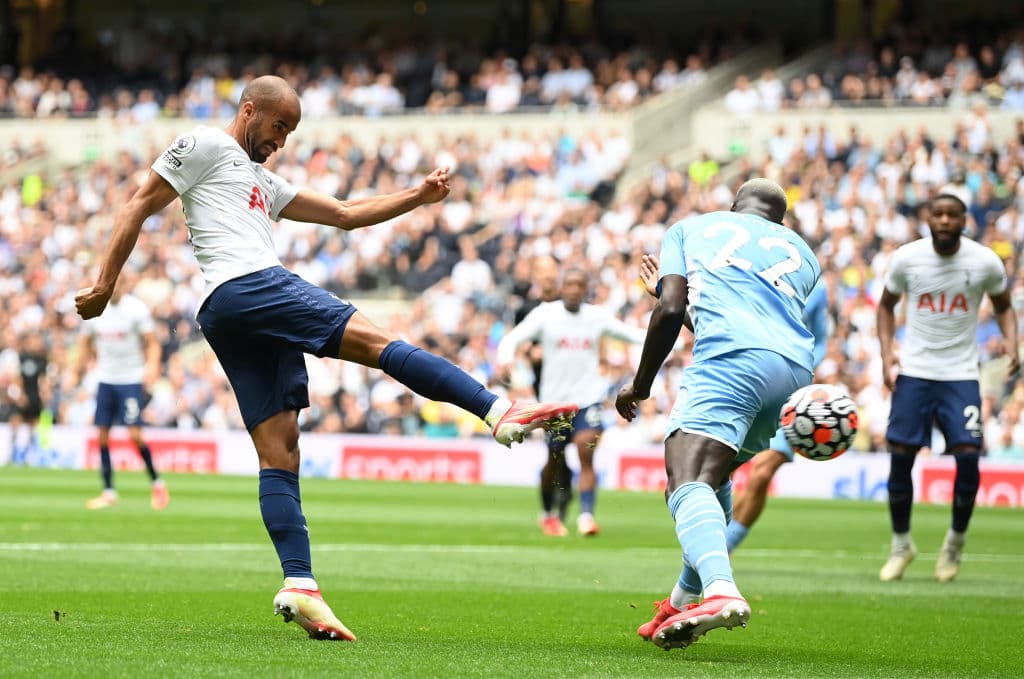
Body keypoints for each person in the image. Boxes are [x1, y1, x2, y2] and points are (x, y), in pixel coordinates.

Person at [74, 75, 579, 642]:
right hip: (251, 286)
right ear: (248, 112)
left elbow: (343, 213)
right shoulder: (206, 144)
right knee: (380, 343)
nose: (282, 140)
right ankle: (496, 411)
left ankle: (300, 584)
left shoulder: (263, 181)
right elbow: (138, 204)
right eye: (278, 126)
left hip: (229, 313)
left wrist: (417, 196)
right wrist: (104, 285)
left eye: (289, 131)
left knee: (281, 450)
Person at [618, 178, 819, 651]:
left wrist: (640, 385)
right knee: (714, 475)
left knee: (685, 476)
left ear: (734, 207)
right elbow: (744, 318)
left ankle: (721, 590)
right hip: (792, 372)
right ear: (780, 220)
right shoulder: (805, 255)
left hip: (731, 361)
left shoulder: (692, 228)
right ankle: (681, 599)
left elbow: (672, 308)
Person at [637, 253, 830, 554]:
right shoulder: (739, 277)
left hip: (788, 390)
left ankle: (720, 556)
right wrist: (664, 292)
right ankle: (710, 567)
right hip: (740, 380)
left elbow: (820, 340)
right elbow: (710, 326)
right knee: (712, 474)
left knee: (762, 471)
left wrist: (803, 373)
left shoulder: (813, 286)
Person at [877, 193, 1019, 582]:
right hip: (915, 372)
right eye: (936, 213)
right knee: (901, 456)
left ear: (963, 221)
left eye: (950, 215)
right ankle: (901, 544)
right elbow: (886, 306)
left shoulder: (984, 261)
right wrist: (887, 353)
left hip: (960, 375)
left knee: (969, 459)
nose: (943, 220)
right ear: (927, 218)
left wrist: (1013, 340)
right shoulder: (908, 258)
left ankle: (954, 544)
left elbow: (1004, 305)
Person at [497, 268, 646, 537]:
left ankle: (586, 517)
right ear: (562, 287)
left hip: (587, 400)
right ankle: (548, 514)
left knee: (585, 452)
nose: (574, 289)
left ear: (585, 288)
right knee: (554, 460)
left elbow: (631, 334)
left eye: (580, 285)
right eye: (570, 284)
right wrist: (506, 358)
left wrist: (671, 339)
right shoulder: (546, 314)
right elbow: (513, 337)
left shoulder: (596, 317)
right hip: (554, 404)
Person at [72, 273, 169, 510]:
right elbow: (85, 343)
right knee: (102, 436)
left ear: (124, 286)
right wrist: (76, 372)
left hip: (130, 380)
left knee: (134, 435)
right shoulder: (96, 309)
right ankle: (108, 492)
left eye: (118, 284)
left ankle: (157, 483)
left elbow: (152, 342)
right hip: (105, 379)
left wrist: (152, 366)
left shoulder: (136, 310)